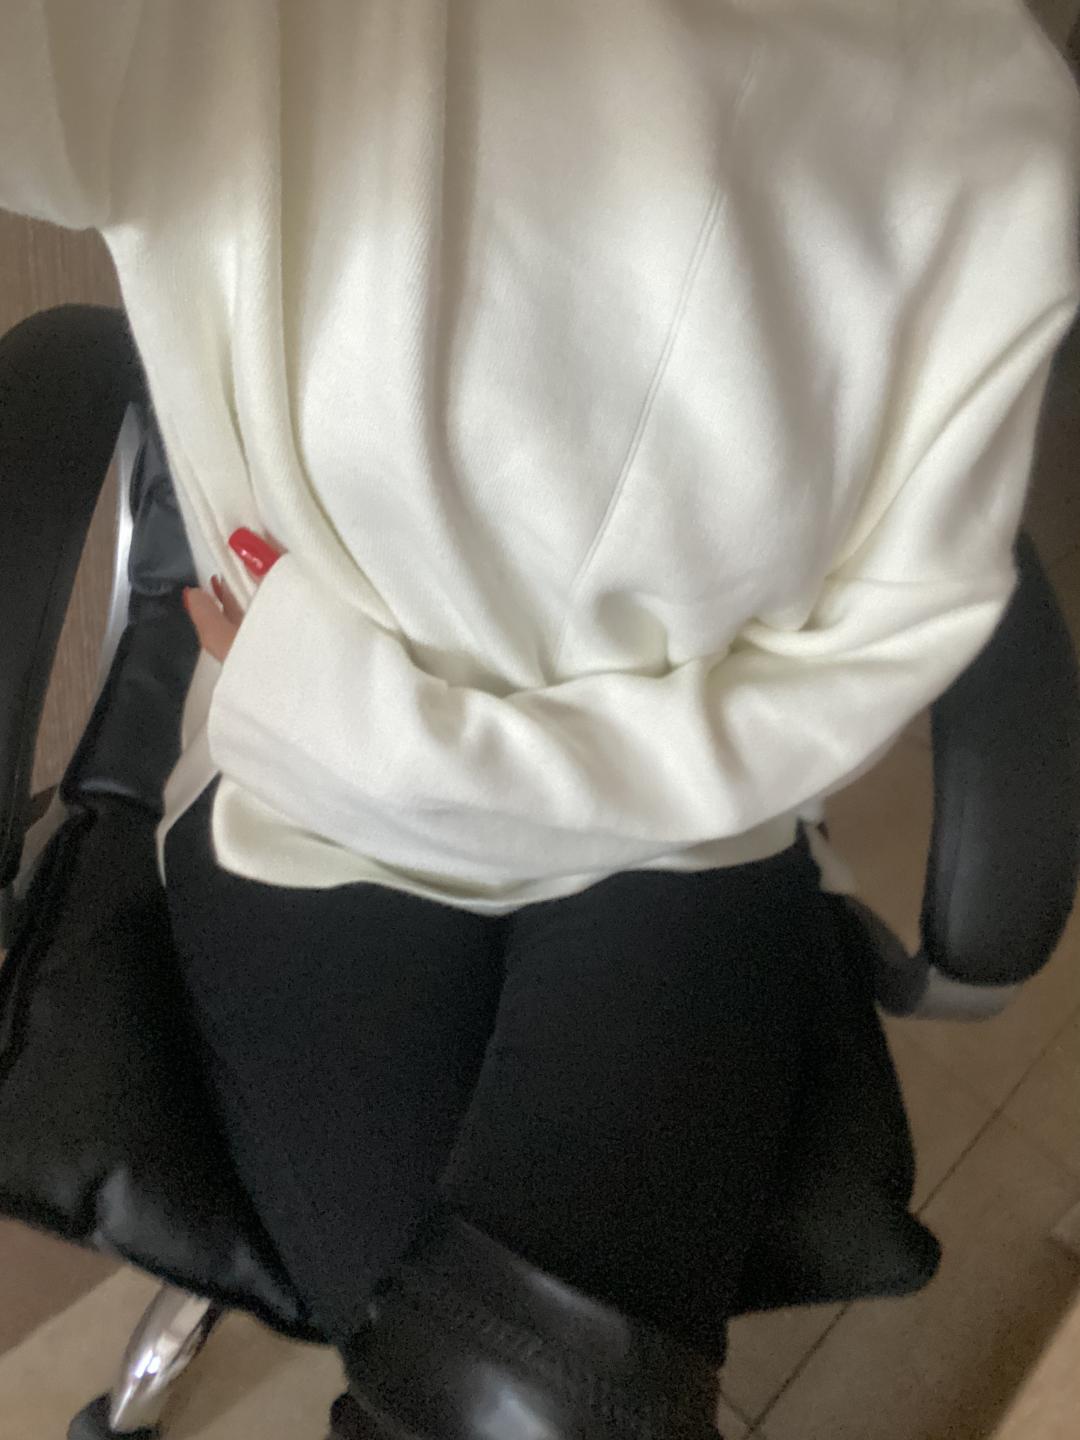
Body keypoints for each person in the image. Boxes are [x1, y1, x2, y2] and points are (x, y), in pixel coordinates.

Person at [3, 3, 1079, 1436]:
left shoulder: (987, 135)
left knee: (524, 1386)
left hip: (656, 828)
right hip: (324, 811)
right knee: (513, 1375)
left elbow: (892, 632)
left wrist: (360, 712)